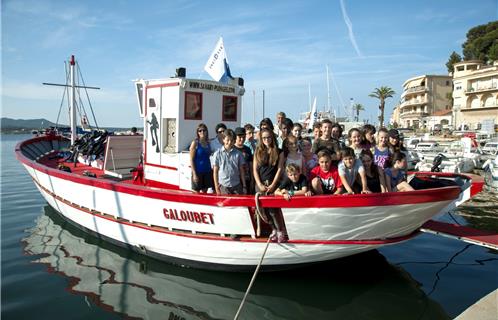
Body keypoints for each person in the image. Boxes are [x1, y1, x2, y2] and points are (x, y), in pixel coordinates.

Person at [253, 128, 286, 242]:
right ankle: (273, 229)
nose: (267, 140)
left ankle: (280, 230)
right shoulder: (258, 151)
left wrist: (273, 185)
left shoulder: (279, 152)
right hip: (261, 184)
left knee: (273, 209)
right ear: (261, 139)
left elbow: (280, 169)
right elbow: (255, 170)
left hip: (273, 184)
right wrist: (259, 184)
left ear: (272, 138)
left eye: (269, 137)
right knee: (263, 210)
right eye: (264, 138)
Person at [213, 129, 246, 195]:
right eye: (227, 140)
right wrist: (216, 187)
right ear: (223, 140)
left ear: (234, 141)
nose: (229, 142)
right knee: (225, 205)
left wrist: (244, 186)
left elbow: (242, 171)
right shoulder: (217, 154)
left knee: (238, 205)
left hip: (237, 185)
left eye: (231, 140)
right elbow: (215, 171)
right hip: (223, 186)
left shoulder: (239, 154)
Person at [189, 123, 213, 193]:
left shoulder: (208, 143)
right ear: (197, 132)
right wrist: (194, 174)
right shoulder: (195, 143)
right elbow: (191, 159)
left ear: (206, 131)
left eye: (204, 130)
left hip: (207, 171)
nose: (202, 132)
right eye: (200, 130)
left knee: (205, 192)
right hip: (198, 171)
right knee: (196, 192)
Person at [234, 127, 253, 194]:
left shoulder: (248, 149)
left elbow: (251, 166)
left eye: (244, 137)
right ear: (235, 137)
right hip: (235, 181)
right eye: (239, 137)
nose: (242, 139)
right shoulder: (232, 149)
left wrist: (252, 180)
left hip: (247, 179)